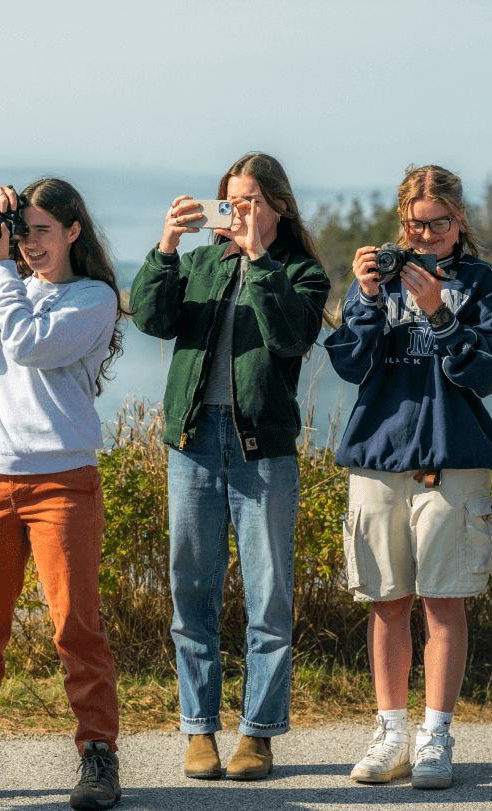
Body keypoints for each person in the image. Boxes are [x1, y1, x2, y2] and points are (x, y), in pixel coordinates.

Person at [0, 178, 125, 810]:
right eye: (21, 229)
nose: (28, 243)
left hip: (61, 483)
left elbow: (31, 345)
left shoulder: (94, 299)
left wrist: (3, 268)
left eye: (41, 230)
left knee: (75, 628)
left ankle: (98, 757)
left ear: (72, 232)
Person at [128, 152, 330, 781]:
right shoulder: (197, 263)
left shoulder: (301, 273)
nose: (239, 211)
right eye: (231, 199)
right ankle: (199, 731)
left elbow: (293, 337)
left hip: (261, 449)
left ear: (279, 207)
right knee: (192, 589)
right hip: (192, 441)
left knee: (268, 596)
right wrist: (166, 248)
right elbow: (150, 318)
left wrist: (261, 263)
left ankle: (259, 734)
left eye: (251, 201)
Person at [325, 165, 492, 789]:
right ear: (401, 222)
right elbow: (351, 365)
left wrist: (438, 312)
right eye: (416, 224)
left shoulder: (481, 282)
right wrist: (365, 297)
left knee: (443, 603)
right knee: (386, 603)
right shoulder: (379, 278)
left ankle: (435, 736)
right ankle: (389, 733)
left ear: (459, 220)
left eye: (439, 223)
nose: (428, 233)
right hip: (379, 460)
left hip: (453, 461)